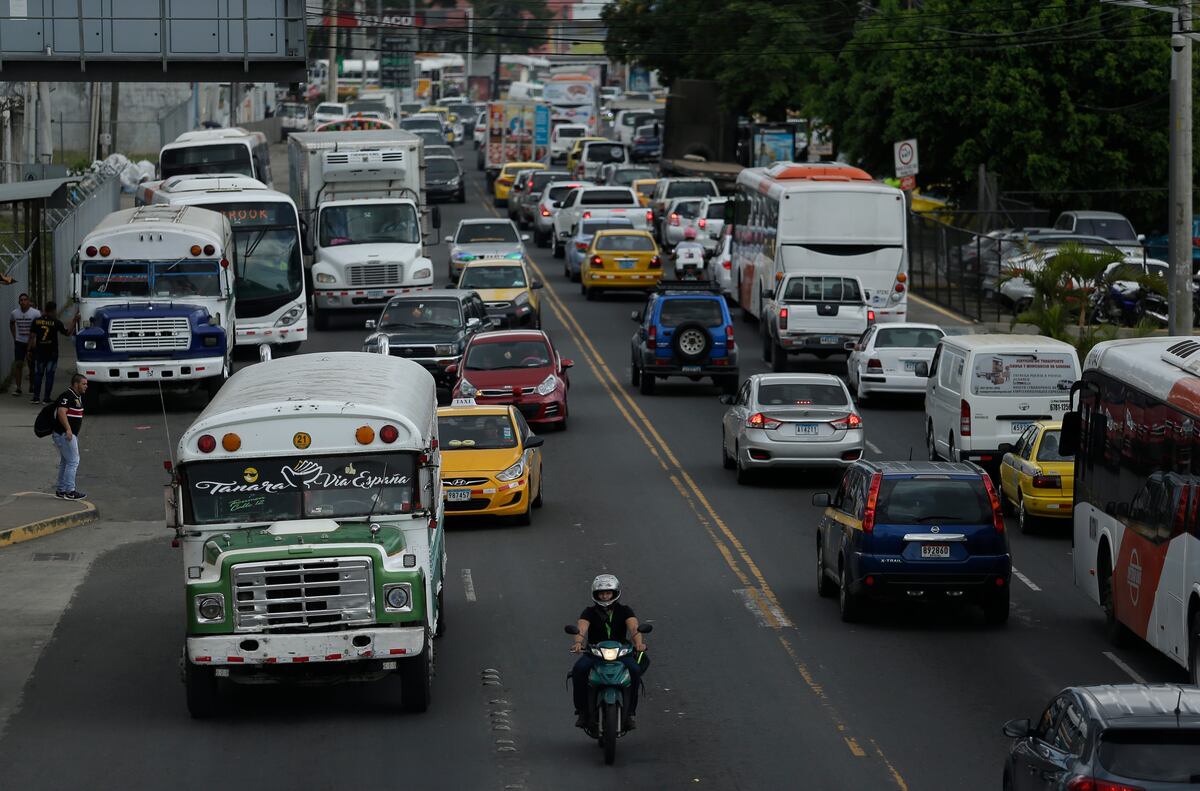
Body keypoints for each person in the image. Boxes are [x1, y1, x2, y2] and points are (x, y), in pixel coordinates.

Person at [570, 574, 648, 730]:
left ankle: (630, 713)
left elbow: (634, 628)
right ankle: (582, 711)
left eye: (608, 593)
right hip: (595, 651)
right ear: (595, 594)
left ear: (615, 593)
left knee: (634, 670)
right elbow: (581, 629)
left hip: (621, 651)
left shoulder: (625, 610)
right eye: (601, 593)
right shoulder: (589, 612)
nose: (605, 596)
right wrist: (578, 643)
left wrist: (639, 643)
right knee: (578, 670)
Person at [27, 301, 76, 404]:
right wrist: (74, 321)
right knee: (49, 375)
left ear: (45, 309)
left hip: (39, 352)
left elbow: (31, 336)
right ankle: (46, 398)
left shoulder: (36, 321)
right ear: (53, 310)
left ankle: (36, 397)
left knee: (38, 374)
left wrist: (29, 350)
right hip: (52, 353)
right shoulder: (56, 322)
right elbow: (67, 333)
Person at [51, 373, 88, 500]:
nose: (86, 386)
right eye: (83, 384)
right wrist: (68, 429)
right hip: (65, 435)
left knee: (65, 462)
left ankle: (61, 490)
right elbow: (61, 412)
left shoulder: (76, 396)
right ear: (75, 384)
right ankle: (70, 491)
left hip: (67, 434)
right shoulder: (68, 395)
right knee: (73, 461)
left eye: (86, 384)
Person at [9, 293, 40, 397]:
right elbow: (12, 323)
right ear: (19, 302)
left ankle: (32, 386)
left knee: (32, 365)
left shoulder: (35, 313)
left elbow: (40, 326)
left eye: (25, 300)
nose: (23, 302)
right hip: (19, 342)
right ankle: (18, 388)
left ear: (29, 301)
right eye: (21, 300)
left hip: (31, 343)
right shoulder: (14, 313)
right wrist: (14, 336)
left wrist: (36, 339)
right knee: (18, 365)